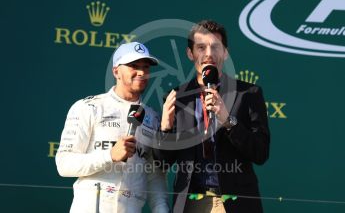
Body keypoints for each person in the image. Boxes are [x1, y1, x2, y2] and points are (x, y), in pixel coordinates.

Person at [156, 20, 270, 213]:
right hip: (191, 203)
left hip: (235, 203)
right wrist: (165, 128)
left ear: (225, 52)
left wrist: (228, 121)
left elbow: (260, 153)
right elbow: (162, 163)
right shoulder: (176, 97)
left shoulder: (248, 93)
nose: (209, 54)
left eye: (216, 47)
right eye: (201, 47)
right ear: (190, 53)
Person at [56, 42, 169, 213]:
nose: (141, 72)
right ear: (116, 71)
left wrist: (162, 210)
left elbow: (154, 176)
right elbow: (64, 164)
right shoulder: (89, 107)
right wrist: (109, 155)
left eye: (145, 67)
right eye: (134, 66)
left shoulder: (153, 119)